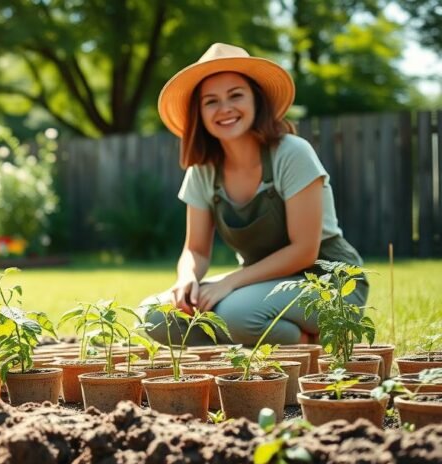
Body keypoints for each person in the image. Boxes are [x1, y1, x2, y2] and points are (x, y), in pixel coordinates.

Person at [141, 43, 366, 346]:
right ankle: (248, 349)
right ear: (200, 112)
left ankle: (311, 344)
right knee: (155, 315)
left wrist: (230, 283)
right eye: (211, 101)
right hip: (258, 286)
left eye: (236, 95)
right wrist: (187, 280)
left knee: (234, 314)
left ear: (256, 101)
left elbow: (304, 251)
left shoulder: (292, 153)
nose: (224, 109)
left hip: (329, 283)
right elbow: (195, 250)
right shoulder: (204, 170)